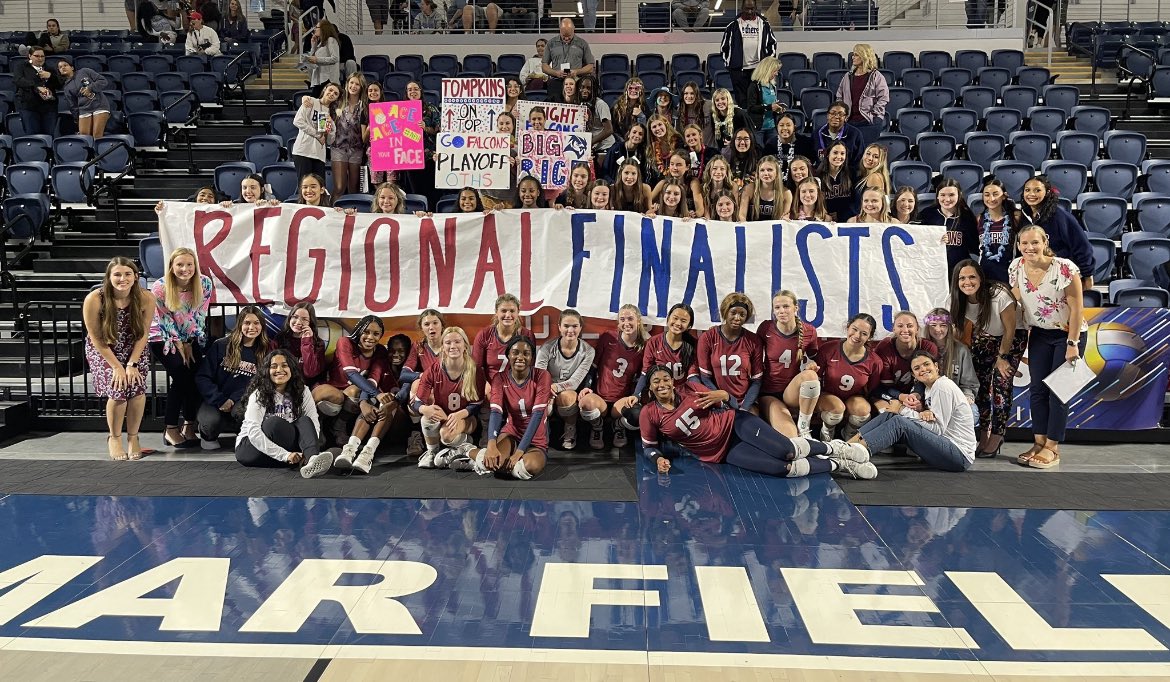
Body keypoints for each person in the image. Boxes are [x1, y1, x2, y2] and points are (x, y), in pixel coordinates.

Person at [640, 364, 876, 479]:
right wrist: (658, 458)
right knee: (782, 468)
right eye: (656, 381)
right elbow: (649, 447)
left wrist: (726, 396)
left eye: (665, 379)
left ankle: (836, 448)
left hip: (736, 424)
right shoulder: (649, 413)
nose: (662, 384)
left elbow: (729, 404)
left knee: (786, 450)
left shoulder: (691, 388)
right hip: (721, 452)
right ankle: (840, 465)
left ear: (672, 381)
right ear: (650, 387)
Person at [1010, 224, 1086, 469]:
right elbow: (1016, 301)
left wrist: (1072, 343)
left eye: (1035, 242)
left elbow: (1077, 308)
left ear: (1045, 242)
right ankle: (1039, 442)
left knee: (1058, 393)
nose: (1029, 248)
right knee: (1037, 391)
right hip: (1039, 335)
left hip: (1067, 335)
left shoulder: (1064, 268)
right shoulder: (1015, 268)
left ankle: (1052, 447)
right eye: (1024, 243)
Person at [833, 351, 975, 472]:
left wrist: (901, 409)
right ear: (914, 375)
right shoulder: (929, 389)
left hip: (959, 455)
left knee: (899, 421)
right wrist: (920, 412)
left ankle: (850, 454)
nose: (923, 369)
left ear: (936, 366)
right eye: (917, 368)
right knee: (891, 414)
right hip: (946, 446)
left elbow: (937, 429)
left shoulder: (942, 386)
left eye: (927, 364)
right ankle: (846, 448)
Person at [950, 259, 1025, 458]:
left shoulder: (998, 295)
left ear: (981, 278)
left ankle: (998, 435)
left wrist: (1002, 357)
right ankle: (983, 435)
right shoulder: (957, 299)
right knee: (979, 384)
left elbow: (1009, 330)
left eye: (972, 277)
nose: (967, 282)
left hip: (1013, 335)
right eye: (962, 278)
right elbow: (957, 332)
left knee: (1001, 384)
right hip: (988, 333)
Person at [447, 337, 550, 479]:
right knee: (494, 463)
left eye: (526, 353)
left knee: (525, 469)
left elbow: (537, 415)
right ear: (508, 355)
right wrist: (491, 445)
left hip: (536, 440)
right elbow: (496, 413)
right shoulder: (499, 378)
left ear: (532, 357)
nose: (520, 357)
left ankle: (474, 462)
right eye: (515, 353)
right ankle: (467, 451)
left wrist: (519, 452)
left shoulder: (542, 376)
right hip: (511, 434)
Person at [84, 257, 154, 461]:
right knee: (118, 390)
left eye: (127, 274)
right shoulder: (95, 299)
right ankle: (114, 438)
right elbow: (96, 338)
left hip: (133, 347)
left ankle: (133, 437)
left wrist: (131, 364)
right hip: (105, 349)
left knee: (137, 389)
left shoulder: (146, 298)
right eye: (117, 274)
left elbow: (144, 334)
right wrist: (117, 367)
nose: (122, 278)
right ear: (109, 277)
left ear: (135, 277)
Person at [235, 349, 334, 477]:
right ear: (267, 371)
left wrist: (310, 448)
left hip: (281, 445)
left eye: (285, 365)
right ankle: (299, 460)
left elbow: (312, 422)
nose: (279, 370)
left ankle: (311, 460)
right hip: (251, 448)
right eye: (274, 366)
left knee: (305, 420)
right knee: (274, 422)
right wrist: (285, 455)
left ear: (292, 369)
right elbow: (253, 433)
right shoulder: (259, 394)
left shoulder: (302, 390)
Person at [150, 248, 211, 449]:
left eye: (189, 264)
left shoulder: (204, 283)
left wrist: (190, 342)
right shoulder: (160, 288)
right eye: (179, 265)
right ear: (172, 267)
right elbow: (164, 319)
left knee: (197, 376)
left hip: (190, 334)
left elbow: (200, 314)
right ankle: (170, 428)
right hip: (162, 336)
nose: (185, 269)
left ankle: (189, 426)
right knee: (181, 375)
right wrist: (178, 342)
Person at [316, 315, 392, 472]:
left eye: (376, 334)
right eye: (366, 332)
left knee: (355, 391)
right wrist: (376, 395)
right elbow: (351, 373)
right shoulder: (345, 342)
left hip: (354, 393)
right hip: (333, 388)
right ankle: (318, 427)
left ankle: (339, 427)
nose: (370, 337)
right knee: (334, 396)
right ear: (359, 330)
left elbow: (373, 380)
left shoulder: (380, 352)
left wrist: (364, 401)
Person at [195, 305, 269, 449]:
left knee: (241, 412)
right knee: (209, 422)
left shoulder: (265, 350)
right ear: (240, 324)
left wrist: (234, 399)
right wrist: (220, 400)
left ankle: (242, 433)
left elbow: (262, 383)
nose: (251, 327)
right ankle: (207, 435)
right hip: (216, 399)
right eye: (247, 323)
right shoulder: (221, 345)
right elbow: (202, 377)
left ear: (262, 326)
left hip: (243, 399)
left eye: (256, 323)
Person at [579, 304, 648, 449]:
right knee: (585, 403)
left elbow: (643, 375)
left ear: (639, 321)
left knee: (639, 415)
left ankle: (618, 426)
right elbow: (594, 365)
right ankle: (598, 427)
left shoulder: (644, 346)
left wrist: (636, 395)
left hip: (621, 400)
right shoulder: (608, 337)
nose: (626, 323)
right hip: (601, 397)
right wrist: (586, 387)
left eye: (630, 318)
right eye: (622, 319)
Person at [414, 326, 483, 469]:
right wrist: (423, 408)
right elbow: (417, 401)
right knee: (426, 417)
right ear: (442, 347)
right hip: (443, 415)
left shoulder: (474, 369)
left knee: (445, 435)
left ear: (465, 345)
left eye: (457, 342)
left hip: (466, 418)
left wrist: (460, 415)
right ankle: (433, 452)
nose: (453, 346)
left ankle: (465, 445)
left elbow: (478, 404)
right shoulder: (434, 369)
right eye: (448, 342)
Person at [758, 290, 821, 437]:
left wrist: (811, 365)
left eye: (786, 306)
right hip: (769, 392)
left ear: (795, 308)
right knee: (790, 435)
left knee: (811, 376)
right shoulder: (766, 328)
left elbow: (813, 358)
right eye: (777, 308)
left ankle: (805, 428)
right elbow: (749, 350)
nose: (781, 311)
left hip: (792, 391)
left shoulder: (809, 331)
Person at [1019, 176, 1095, 290]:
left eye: (1037, 190)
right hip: (1034, 277)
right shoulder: (1023, 218)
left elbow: (1082, 246)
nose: (1031, 194)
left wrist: (1087, 274)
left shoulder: (1060, 217)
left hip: (1060, 277)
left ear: (1047, 192)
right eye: (1027, 190)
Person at [535, 309, 596, 450]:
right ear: (559, 327)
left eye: (574, 326)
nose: (570, 330)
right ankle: (541, 431)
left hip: (567, 390)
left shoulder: (588, 351)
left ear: (580, 328)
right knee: (541, 399)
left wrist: (555, 388)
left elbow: (575, 382)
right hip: (547, 388)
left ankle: (570, 430)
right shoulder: (547, 348)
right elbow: (539, 375)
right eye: (566, 326)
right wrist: (548, 388)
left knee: (567, 397)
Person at [817, 313, 883, 442]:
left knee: (863, 411)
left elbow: (871, 389)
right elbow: (816, 378)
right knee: (836, 409)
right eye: (855, 329)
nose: (857, 336)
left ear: (870, 337)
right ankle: (826, 432)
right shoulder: (828, 349)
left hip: (853, 397)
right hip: (828, 395)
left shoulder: (874, 361)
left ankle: (849, 433)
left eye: (864, 333)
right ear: (848, 327)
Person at [696, 292, 764, 414]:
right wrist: (721, 402)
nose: (737, 318)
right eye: (733, 313)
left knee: (751, 428)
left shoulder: (753, 340)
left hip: (744, 401)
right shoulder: (708, 337)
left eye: (742, 314)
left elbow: (756, 380)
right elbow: (705, 378)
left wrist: (744, 408)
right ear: (725, 312)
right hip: (717, 399)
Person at [872, 310, 939, 416]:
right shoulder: (885, 347)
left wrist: (915, 396)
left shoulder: (928, 347)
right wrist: (901, 397)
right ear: (893, 328)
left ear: (917, 329)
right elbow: (883, 386)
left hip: (918, 392)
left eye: (910, 326)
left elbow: (929, 380)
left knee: (921, 413)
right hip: (886, 391)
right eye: (900, 326)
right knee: (888, 414)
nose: (905, 330)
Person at [473, 293, 537, 392]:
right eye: (503, 311)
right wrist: (485, 384)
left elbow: (530, 367)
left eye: (512, 311)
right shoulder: (484, 335)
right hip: (490, 388)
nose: (508, 315)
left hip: (517, 387)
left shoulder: (526, 335)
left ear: (518, 312)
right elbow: (476, 367)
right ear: (496, 312)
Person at [720, 0, 777, 106]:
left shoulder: (764, 24)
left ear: (756, 8)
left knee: (759, 102)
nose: (750, 11)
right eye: (747, 8)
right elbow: (724, 48)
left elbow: (772, 44)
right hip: (739, 71)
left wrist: (768, 66)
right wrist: (730, 65)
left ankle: (757, 123)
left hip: (759, 71)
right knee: (743, 102)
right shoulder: (733, 25)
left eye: (752, 8)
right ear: (742, 8)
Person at [922, 178, 979, 279]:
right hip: (931, 270)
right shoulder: (927, 214)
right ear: (937, 195)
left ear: (959, 195)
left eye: (951, 195)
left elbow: (975, 247)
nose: (947, 199)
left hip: (958, 272)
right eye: (943, 195)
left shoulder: (967, 218)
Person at [922, 308, 979, 406]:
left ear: (949, 327)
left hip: (956, 400)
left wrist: (967, 397)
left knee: (973, 412)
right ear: (928, 327)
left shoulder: (962, 350)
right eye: (933, 325)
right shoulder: (921, 350)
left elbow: (969, 384)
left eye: (943, 325)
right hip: (929, 400)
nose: (938, 329)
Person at [835, 44, 889, 148]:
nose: (852, 57)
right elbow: (839, 96)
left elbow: (884, 97)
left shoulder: (876, 76)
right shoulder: (848, 76)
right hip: (849, 122)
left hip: (869, 123)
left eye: (856, 55)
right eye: (853, 55)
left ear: (864, 56)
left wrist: (875, 114)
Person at [331, 73, 370, 198]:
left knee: (354, 189)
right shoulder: (338, 102)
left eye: (357, 84)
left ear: (361, 87)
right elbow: (322, 101)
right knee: (339, 188)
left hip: (357, 150)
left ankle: (353, 215)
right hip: (338, 148)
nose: (353, 86)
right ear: (347, 84)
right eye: (351, 83)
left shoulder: (364, 106)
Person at [974, 178, 1020, 285]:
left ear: (1004, 196)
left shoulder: (1015, 217)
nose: (991, 198)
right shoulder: (979, 219)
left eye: (995, 194)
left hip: (1008, 273)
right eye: (987, 194)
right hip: (985, 273)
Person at [541, 18, 594, 103]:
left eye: (568, 36)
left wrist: (576, 72)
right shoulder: (551, 43)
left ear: (574, 30)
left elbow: (590, 67)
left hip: (576, 81)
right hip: (556, 81)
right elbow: (544, 66)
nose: (566, 39)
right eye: (563, 36)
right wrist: (556, 73)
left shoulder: (582, 44)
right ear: (559, 30)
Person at [292, 82, 338, 181]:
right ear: (324, 89)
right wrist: (317, 135)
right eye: (330, 90)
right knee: (304, 185)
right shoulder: (310, 101)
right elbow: (297, 121)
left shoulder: (331, 113)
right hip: (303, 151)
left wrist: (331, 127)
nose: (332, 94)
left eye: (335, 93)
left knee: (319, 187)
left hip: (319, 154)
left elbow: (329, 141)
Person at [273, 302, 327, 385]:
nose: (298, 322)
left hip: (309, 386)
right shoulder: (280, 338)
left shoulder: (318, 343)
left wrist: (307, 341)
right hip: (285, 384)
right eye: (295, 317)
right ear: (289, 318)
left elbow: (310, 372)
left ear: (310, 323)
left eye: (304, 319)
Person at [12, 46, 60, 137]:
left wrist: (50, 76)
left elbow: (59, 85)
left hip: (49, 108)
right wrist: (37, 87)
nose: (40, 58)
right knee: (33, 136)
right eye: (37, 56)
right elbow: (18, 80)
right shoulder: (21, 67)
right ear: (30, 56)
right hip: (29, 107)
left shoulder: (50, 69)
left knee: (49, 136)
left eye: (42, 56)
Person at [57, 61, 110, 139]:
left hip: (99, 105)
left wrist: (90, 88)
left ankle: (99, 151)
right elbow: (73, 105)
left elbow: (103, 81)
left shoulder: (84, 71)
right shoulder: (66, 87)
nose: (63, 67)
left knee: (97, 135)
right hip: (84, 109)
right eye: (60, 67)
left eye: (65, 65)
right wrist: (77, 118)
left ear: (72, 67)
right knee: (84, 137)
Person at [744, 56, 785, 153]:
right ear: (767, 70)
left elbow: (772, 105)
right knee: (759, 152)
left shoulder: (772, 86)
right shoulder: (754, 86)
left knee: (773, 152)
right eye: (774, 71)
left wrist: (778, 109)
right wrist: (769, 107)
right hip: (759, 128)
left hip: (771, 126)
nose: (776, 73)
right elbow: (751, 108)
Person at [739, 155, 789, 221]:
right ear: (758, 173)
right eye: (762, 170)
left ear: (777, 172)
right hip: (751, 229)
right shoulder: (749, 189)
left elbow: (785, 218)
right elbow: (742, 216)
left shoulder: (786, 193)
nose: (766, 173)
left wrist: (785, 218)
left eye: (770, 170)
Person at [579, 76, 615, 165]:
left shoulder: (601, 105)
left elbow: (609, 130)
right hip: (592, 148)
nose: (585, 90)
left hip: (605, 148)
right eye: (582, 87)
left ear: (594, 90)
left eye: (588, 88)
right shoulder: (580, 104)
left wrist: (590, 142)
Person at [817, 141, 857, 221]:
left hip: (847, 218)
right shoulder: (818, 175)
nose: (839, 156)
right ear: (828, 154)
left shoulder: (851, 173)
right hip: (825, 218)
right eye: (835, 153)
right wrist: (825, 214)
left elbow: (855, 200)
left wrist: (841, 215)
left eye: (842, 153)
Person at [815, 101, 864, 165]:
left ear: (846, 118)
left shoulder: (855, 134)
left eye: (840, 114)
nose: (836, 117)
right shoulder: (817, 133)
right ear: (827, 116)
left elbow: (859, 160)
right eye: (832, 113)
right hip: (822, 173)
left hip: (848, 173)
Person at [709, 88, 752, 152]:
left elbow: (750, 135)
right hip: (725, 150)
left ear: (728, 100)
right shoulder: (714, 116)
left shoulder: (740, 114)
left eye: (723, 99)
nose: (720, 102)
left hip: (742, 149)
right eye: (717, 100)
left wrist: (734, 143)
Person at [304, 19, 341, 92]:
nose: (315, 29)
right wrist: (313, 45)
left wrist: (317, 60)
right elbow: (312, 57)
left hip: (328, 78)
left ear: (323, 29)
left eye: (317, 27)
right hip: (319, 78)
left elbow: (335, 58)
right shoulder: (320, 43)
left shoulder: (331, 40)